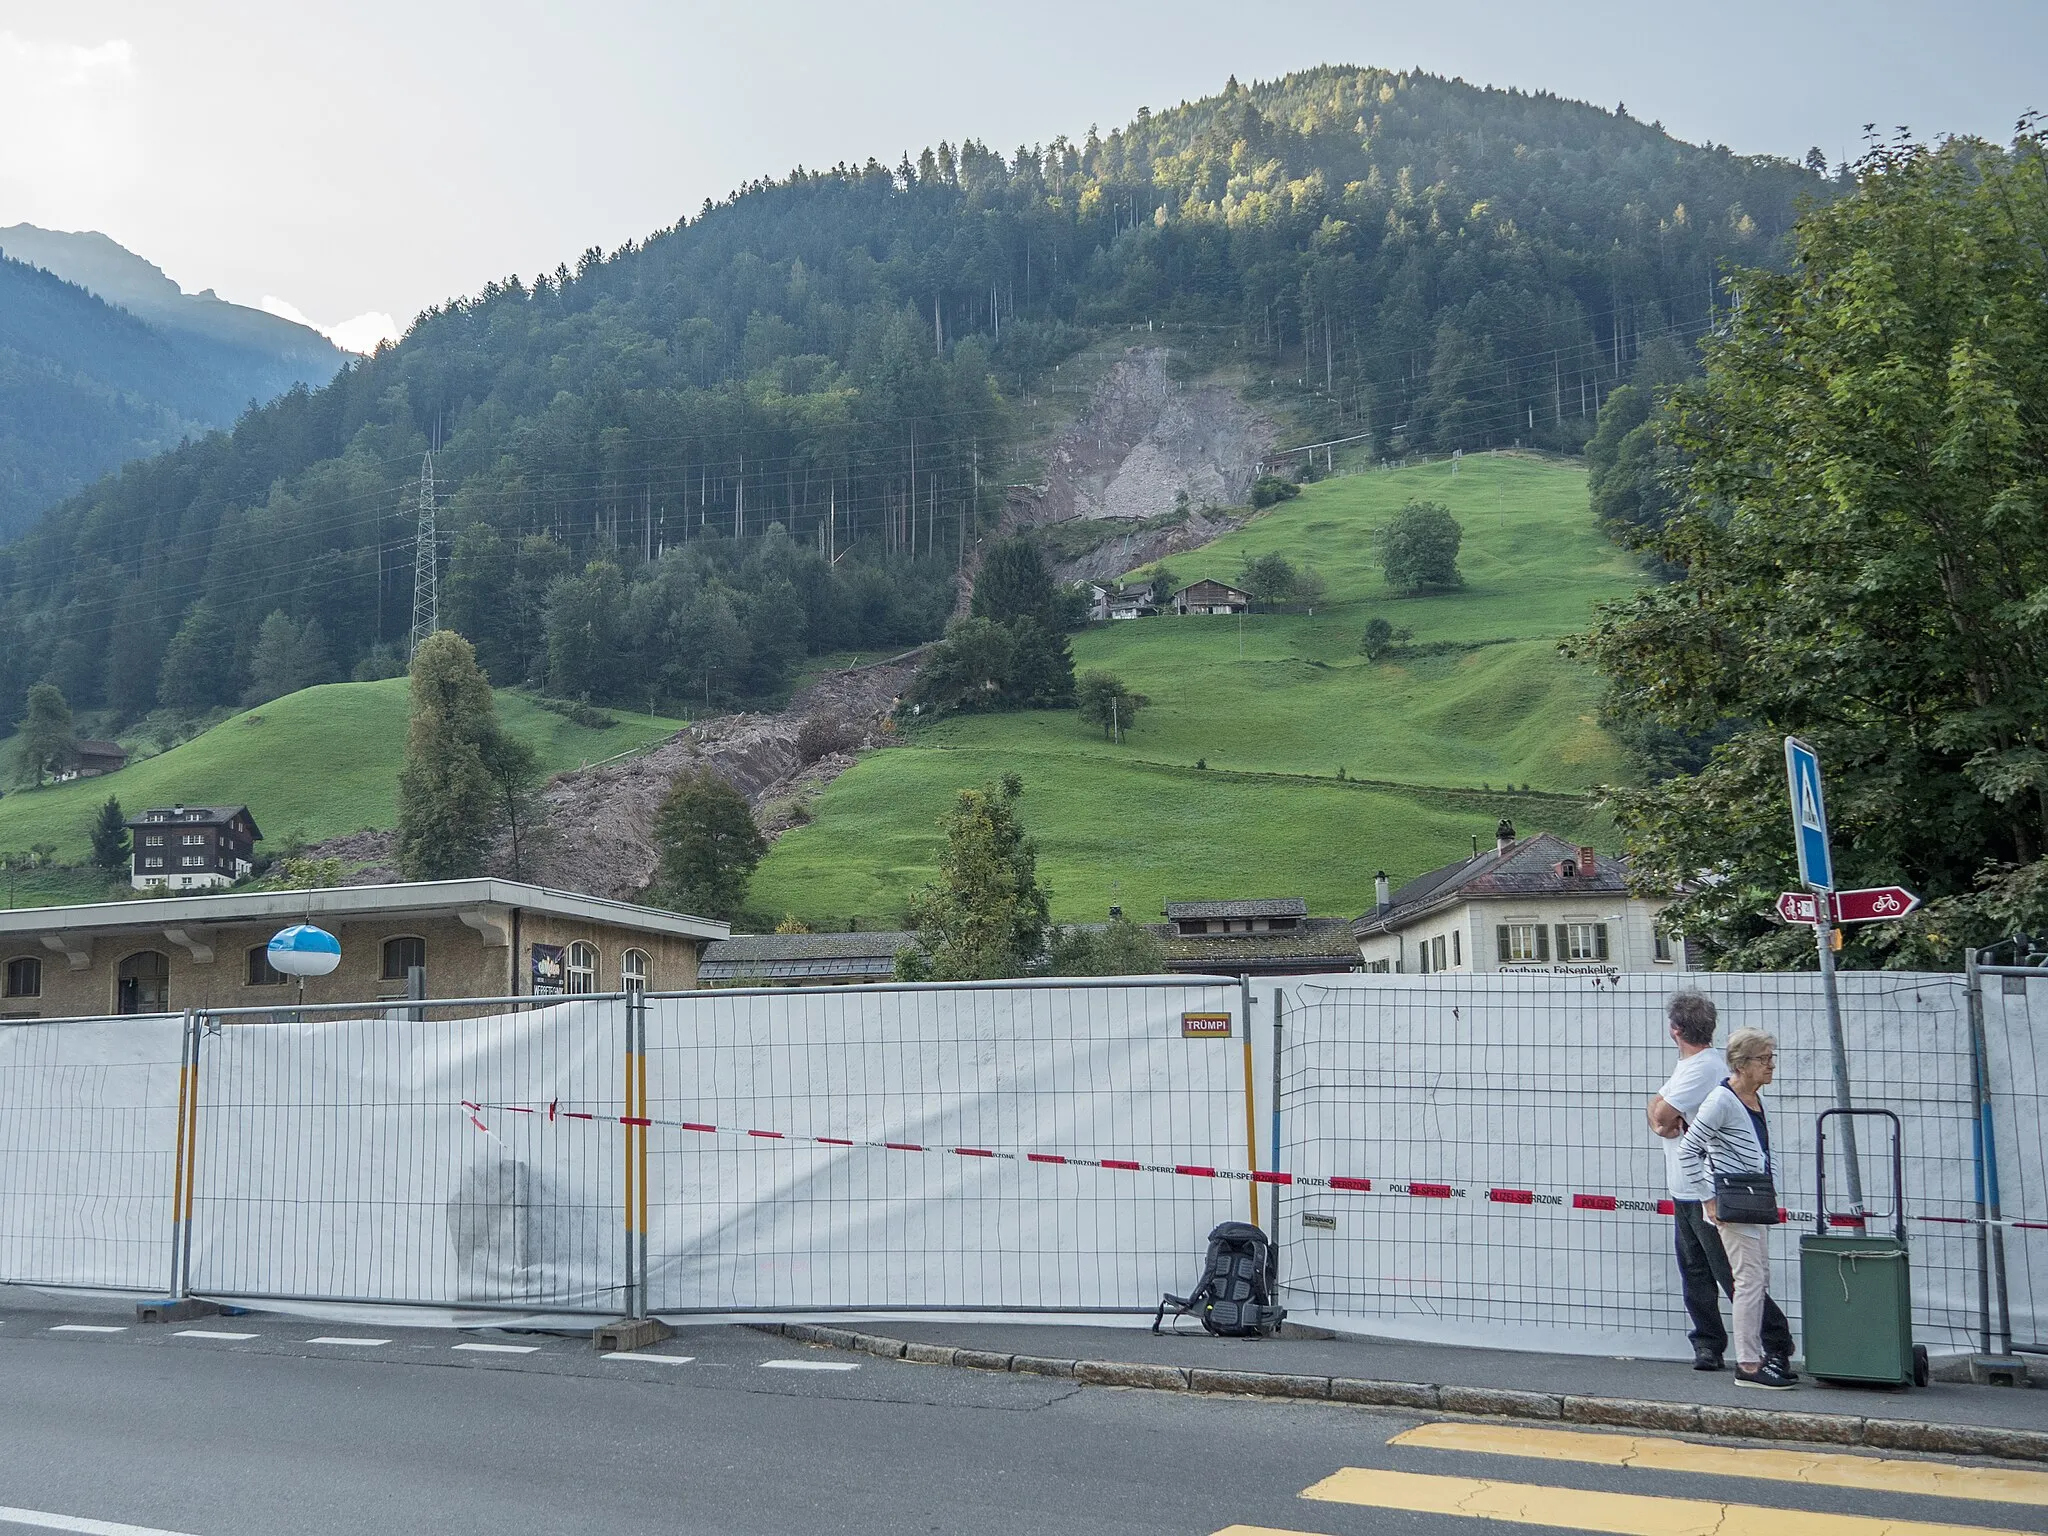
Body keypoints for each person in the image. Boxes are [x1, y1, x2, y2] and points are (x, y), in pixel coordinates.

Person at [1646, 992, 1795, 1375]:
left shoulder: (1701, 1069)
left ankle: (1773, 1342)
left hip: (1704, 1190)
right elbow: (1663, 1119)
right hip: (1687, 1189)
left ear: (1674, 1030)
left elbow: (1661, 1117)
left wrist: (1661, 1107)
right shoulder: (1696, 1067)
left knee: (1732, 1274)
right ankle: (1709, 1344)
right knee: (1699, 1269)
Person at [1678, 1029, 1794, 1390]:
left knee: (1758, 1279)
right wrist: (1708, 1199)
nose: (1770, 1065)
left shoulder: (1754, 1099)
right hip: (1733, 1201)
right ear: (1741, 1064)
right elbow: (1688, 1151)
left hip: (1754, 1200)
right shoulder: (1722, 1100)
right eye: (1764, 1058)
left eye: (1771, 1057)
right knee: (1746, 1282)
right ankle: (1747, 1364)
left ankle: (1759, 1357)